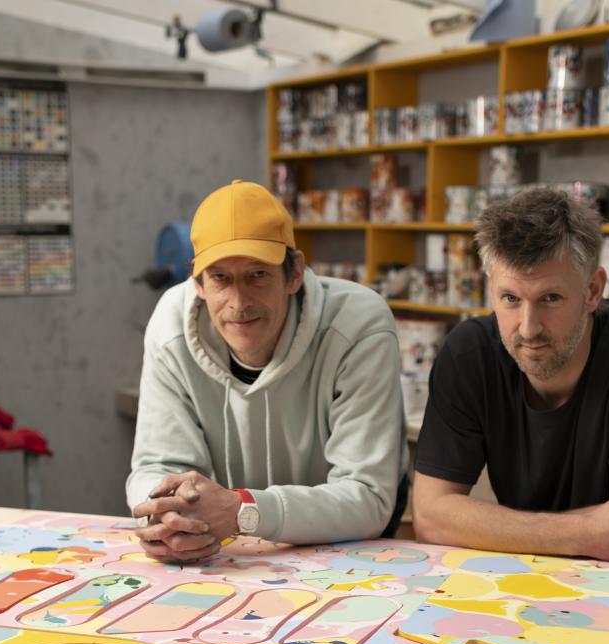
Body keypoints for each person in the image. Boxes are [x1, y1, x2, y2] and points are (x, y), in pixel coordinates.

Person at [412, 186, 609, 562]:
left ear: (593, 291)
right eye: (510, 298)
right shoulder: (468, 355)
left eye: (550, 298)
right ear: (491, 291)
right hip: (532, 574)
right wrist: (587, 533)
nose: (528, 328)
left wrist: (491, 527)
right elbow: (430, 518)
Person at [128, 179, 407, 561]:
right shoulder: (170, 323)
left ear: (294, 273)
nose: (239, 302)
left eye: (258, 274)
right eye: (220, 277)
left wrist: (241, 509)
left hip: (346, 548)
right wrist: (170, 519)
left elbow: (368, 498)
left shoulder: (358, 323)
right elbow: (157, 467)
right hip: (226, 547)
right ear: (198, 282)